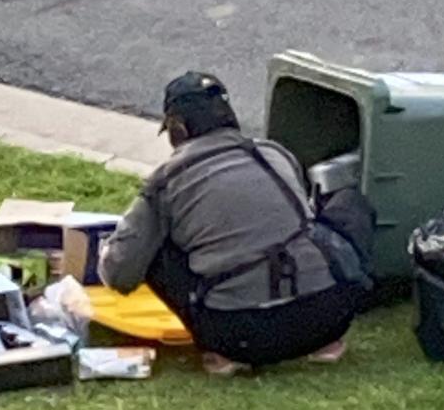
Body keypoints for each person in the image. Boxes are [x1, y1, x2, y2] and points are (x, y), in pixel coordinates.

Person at [98, 71, 376, 375]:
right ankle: (327, 344)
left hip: (238, 336)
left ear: (177, 127)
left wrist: (107, 252)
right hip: (328, 316)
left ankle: (221, 357)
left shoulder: (166, 181)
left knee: (150, 247)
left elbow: (120, 274)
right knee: (347, 204)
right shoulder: (275, 153)